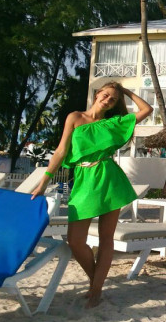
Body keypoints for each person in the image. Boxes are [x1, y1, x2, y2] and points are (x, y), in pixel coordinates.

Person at [31, 81, 152, 308]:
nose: (108, 100)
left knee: (107, 238)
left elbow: (147, 110)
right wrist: (43, 183)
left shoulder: (113, 123)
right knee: (76, 240)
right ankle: (96, 281)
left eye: (113, 99)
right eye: (105, 95)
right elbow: (61, 151)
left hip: (108, 177)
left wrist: (125, 91)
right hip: (83, 179)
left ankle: (96, 290)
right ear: (97, 94)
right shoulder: (75, 117)